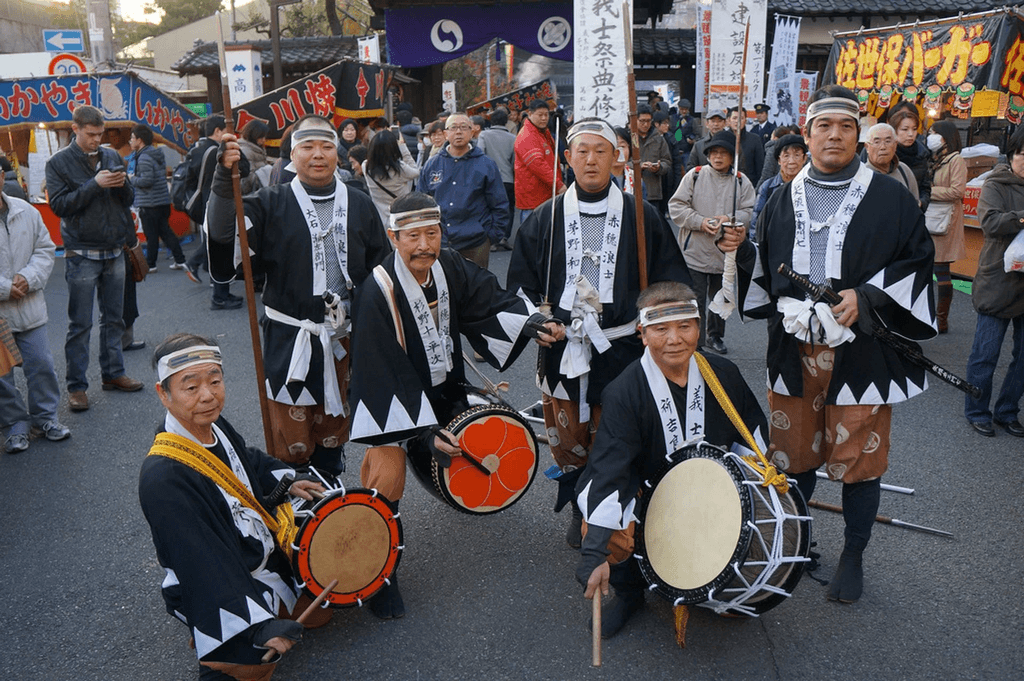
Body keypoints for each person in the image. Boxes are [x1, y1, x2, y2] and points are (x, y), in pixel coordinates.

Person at [721, 84, 937, 604]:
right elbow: (769, 272)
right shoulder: (780, 196)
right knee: (791, 456)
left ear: (858, 134)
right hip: (793, 350)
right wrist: (738, 252)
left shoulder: (890, 196)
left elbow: (918, 258)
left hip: (862, 350)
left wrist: (867, 296)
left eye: (845, 126)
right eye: (824, 126)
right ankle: (794, 544)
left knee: (858, 461)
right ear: (809, 134)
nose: (834, 136)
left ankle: (853, 554)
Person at [348, 192, 552, 618]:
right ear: (393, 237)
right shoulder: (377, 290)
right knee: (386, 482)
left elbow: (487, 297)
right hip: (396, 397)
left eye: (431, 233)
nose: (424, 244)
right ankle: (377, 577)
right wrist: (422, 431)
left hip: (446, 382)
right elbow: (379, 366)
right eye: (413, 236)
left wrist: (529, 321)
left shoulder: (449, 266)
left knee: (473, 448)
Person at [507, 117, 691, 548]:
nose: (591, 160)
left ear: (618, 158)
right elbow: (519, 287)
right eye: (582, 151)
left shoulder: (642, 215)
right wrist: (537, 321)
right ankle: (578, 504)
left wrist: (660, 328)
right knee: (569, 438)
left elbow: (670, 282)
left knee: (621, 436)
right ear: (567, 158)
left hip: (624, 345)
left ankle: (621, 520)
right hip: (563, 345)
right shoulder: (544, 218)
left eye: (601, 151)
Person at [575, 281, 768, 637]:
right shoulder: (624, 391)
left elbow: (751, 438)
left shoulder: (722, 373)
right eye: (661, 329)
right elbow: (611, 468)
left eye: (684, 326)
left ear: (698, 328)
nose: (674, 339)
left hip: (710, 485)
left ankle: (717, 578)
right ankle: (630, 594)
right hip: (643, 492)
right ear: (642, 334)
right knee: (605, 525)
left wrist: (758, 487)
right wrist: (595, 551)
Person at [139, 334, 331, 680]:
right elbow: (201, 562)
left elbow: (249, 462)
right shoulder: (163, 477)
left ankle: (278, 603)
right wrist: (256, 626)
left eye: (215, 381)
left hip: (258, 552)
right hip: (217, 581)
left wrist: (286, 480)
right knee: (254, 662)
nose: (208, 395)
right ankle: (219, 653)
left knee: (320, 609)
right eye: (191, 387)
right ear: (162, 394)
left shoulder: (212, 424)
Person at [206, 114, 391, 474]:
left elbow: (380, 272)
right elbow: (226, 244)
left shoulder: (360, 203)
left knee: (335, 427)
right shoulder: (268, 203)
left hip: (344, 336)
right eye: (307, 146)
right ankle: (292, 497)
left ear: (338, 152)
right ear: (293, 155)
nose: (318, 154)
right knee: (290, 431)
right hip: (290, 336)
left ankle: (330, 494)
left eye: (326, 146)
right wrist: (223, 185)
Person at [45, 104, 144, 412]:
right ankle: (76, 387)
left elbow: (128, 200)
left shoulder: (112, 155)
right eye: (91, 134)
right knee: (80, 323)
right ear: (75, 129)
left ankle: (113, 374)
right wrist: (94, 185)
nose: (96, 140)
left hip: (114, 247)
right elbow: (60, 206)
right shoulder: (58, 162)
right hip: (82, 250)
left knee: (114, 318)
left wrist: (123, 184)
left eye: (100, 134)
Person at [669, 130, 755, 354]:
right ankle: (695, 339)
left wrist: (730, 219)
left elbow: (749, 210)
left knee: (721, 295)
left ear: (732, 156)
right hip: (695, 249)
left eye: (723, 153)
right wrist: (700, 221)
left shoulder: (741, 181)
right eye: (714, 152)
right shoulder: (695, 175)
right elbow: (676, 206)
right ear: (707, 155)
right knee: (695, 298)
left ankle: (715, 336)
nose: (718, 157)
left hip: (724, 252)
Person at [964, 127, 1024, 438]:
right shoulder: (996, 184)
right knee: (986, 353)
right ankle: (976, 410)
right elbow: (990, 223)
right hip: (999, 282)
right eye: (1023, 153)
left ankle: (1006, 411)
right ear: (1012, 155)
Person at [0, 190, 70, 453]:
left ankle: (45, 419)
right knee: (1, 377)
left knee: (41, 364)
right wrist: (5, 287)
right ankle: (14, 425)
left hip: (30, 308)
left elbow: (44, 249)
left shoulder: (25, 210)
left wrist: (29, 277)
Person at [418, 113, 509, 269]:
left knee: (476, 289)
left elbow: (499, 203)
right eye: (453, 128)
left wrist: (490, 236)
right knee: (444, 288)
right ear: (446, 133)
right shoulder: (432, 165)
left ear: (472, 132)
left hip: (476, 241)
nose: (458, 132)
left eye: (463, 127)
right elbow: (421, 203)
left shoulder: (486, 164)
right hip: (442, 242)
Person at [183, 115, 251, 310]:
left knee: (214, 246)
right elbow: (243, 169)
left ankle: (213, 283)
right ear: (219, 132)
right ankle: (220, 295)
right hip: (219, 203)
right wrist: (234, 147)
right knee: (221, 247)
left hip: (202, 202)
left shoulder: (196, 149)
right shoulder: (218, 151)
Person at [926, 120, 967, 334]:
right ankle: (926, 315)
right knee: (926, 268)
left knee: (941, 269)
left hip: (945, 222)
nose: (930, 136)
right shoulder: (934, 158)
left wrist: (928, 192)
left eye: (934, 133)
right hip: (930, 218)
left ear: (945, 136)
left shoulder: (956, 159)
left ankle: (941, 319)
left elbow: (958, 191)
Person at [129, 124, 188, 273]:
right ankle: (180, 260)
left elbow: (146, 181)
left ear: (140, 140)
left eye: (132, 138)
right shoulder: (156, 154)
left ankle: (151, 264)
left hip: (150, 203)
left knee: (152, 235)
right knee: (166, 232)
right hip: (162, 200)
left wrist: (131, 178)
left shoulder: (143, 157)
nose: (130, 141)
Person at [514, 100, 566, 226]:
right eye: (540, 115)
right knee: (532, 238)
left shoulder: (543, 132)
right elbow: (537, 164)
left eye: (546, 115)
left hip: (545, 196)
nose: (544, 118)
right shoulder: (527, 135)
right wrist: (558, 184)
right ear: (530, 114)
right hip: (533, 198)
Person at [752, 133, 808, 234]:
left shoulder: (810, 187)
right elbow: (757, 222)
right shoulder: (768, 187)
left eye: (797, 155)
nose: (791, 161)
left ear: (804, 158)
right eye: (786, 156)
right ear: (779, 160)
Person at [363, 129, 419, 227]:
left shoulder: (366, 167)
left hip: (380, 218)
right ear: (393, 148)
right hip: (401, 217)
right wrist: (402, 146)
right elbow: (416, 171)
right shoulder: (400, 168)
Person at [478, 108, 517, 250]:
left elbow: (480, 154)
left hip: (488, 178)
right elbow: (514, 161)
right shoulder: (513, 138)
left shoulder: (484, 135)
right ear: (506, 121)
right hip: (507, 178)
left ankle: (491, 239)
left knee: (489, 207)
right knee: (508, 208)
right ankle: (504, 237)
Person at [862, 123, 920, 203]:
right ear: (867, 147)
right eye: (877, 142)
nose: (883, 147)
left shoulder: (904, 170)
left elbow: (914, 204)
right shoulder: (861, 175)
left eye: (888, 141)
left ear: (895, 145)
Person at [889, 102, 931, 209]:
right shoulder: (884, 153)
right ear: (894, 131)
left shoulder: (922, 155)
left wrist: (921, 203)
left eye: (914, 129)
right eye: (905, 129)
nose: (911, 134)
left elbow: (925, 188)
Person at [635, 104, 672, 214]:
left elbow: (667, 161)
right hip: (632, 189)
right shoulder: (628, 137)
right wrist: (638, 166)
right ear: (634, 120)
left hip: (653, 191)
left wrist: (659, 167)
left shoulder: (658, 138)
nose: (646, 124)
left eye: (648, 121)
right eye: (642, 121)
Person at [726, 106, 766, 182]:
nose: (737, 121)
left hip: (748, 183)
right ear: (729, 120)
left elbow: (760, 166)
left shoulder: (754, 139)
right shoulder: (723, 138)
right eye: (734, 118)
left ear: (745, 120)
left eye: (741, 118)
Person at [757, 125, 800, 190]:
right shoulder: (792, 150)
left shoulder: (772, 149)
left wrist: (757, 191)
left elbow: (767, 173)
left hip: (773, 188)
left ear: (774, 137)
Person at [238, 119, 273, 194]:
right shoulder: (246, 151)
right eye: (261, 137)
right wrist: (267, 170)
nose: (264, 140)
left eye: (264, 137)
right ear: (253, 135)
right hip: (253, 193)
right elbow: (247, 179)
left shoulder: (257, 148)